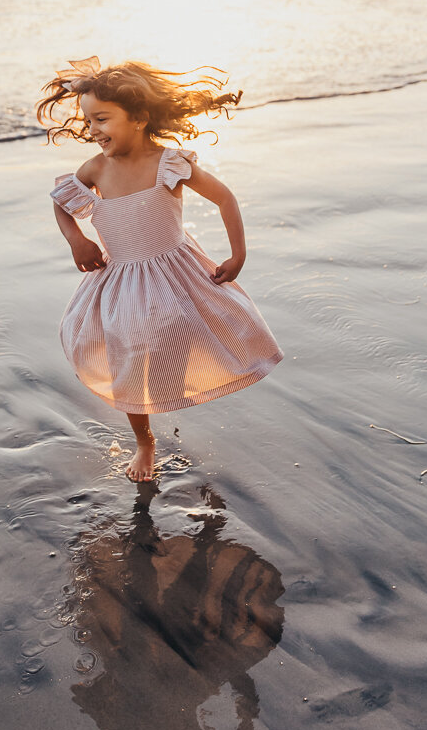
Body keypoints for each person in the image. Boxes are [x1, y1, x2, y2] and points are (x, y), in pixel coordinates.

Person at [37, 57, 283, 482]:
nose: (92, 130)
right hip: (122, 281)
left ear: (139, 118)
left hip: (176, 272)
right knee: (129, 360)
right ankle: (145, 441)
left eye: (102, 119)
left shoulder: (169, 163)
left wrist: (238, 254)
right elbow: (62, 204)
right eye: (87, 120)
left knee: (184, 331)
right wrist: (77, 239)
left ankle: (175, 386)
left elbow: (224, 198)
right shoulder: (95, 169)